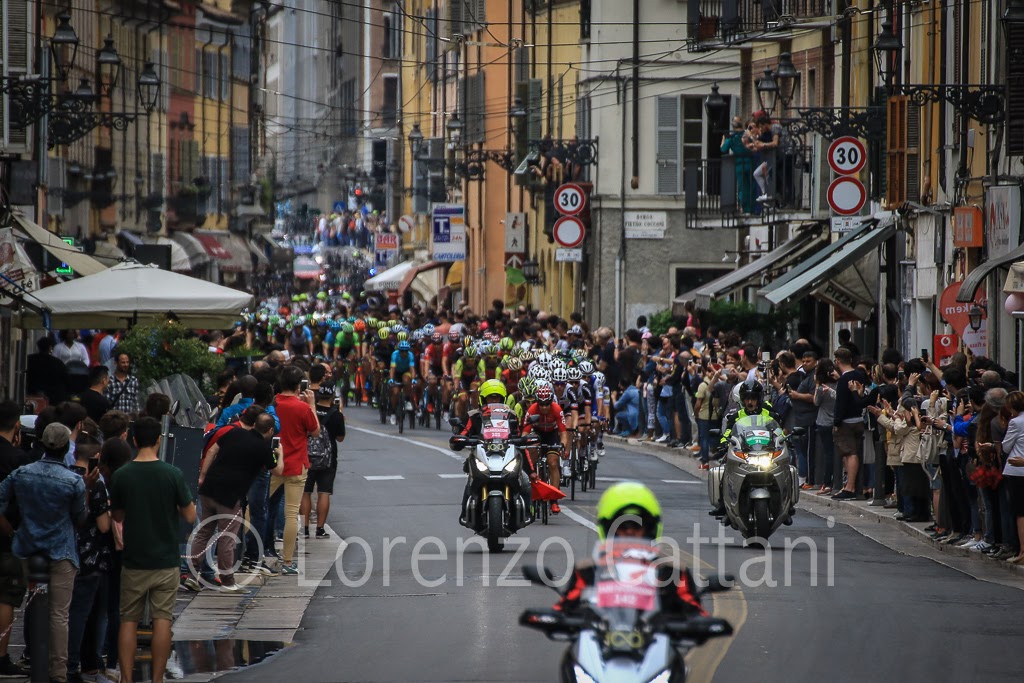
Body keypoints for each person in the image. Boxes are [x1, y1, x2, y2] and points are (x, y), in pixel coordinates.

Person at [0, 423, 90, 683]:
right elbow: (80, 517)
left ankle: (33, 659)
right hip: (61, 551)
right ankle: (58, 672)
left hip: (27, 548)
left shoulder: (21, 473)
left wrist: (11, 531)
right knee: (59, 615)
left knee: (33, 605)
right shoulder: (73, 481)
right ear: (65, 447)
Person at [109, 417, 196, 683]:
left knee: (128, 620)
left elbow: (118, 515)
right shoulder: (172, 474)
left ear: (134, 440)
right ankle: (157, 679)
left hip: (134, 558)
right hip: (166, 559)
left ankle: (126, 678)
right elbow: (190, 515)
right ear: (159, 440)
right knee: (162, 620)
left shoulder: (122, 475)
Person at [554, 482, 705, 617]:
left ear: (649, 528)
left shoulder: (672, 572)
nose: (630, 532)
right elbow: (563, 608)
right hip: (601, 636)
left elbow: (695, 611)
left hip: (652, 636)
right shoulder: (587, 571)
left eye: (637, 526)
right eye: (622, 526)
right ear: (609, 528)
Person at [190, 408, 282, 591]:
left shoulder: (234, 432)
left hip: (208, 489)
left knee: (204, 532)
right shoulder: (263, 448)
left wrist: (203, 476)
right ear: (270, 430)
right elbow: (278, 470)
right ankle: (227, 580)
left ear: (254, 425)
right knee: (227, 537)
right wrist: (281, 454)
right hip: (230, 497)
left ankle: (191, 573)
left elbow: (212, 450)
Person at [269, 367, 320, 575]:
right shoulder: (302, 407)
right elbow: (315, 431)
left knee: (253, 506)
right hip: (297, 465)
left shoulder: (272, 404)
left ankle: (245, 551)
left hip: (273, 463)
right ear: (299, 385)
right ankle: (288, 561)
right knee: (291, 513)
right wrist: (312, 405)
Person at [0, 402, 29, 677]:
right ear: (17, 426)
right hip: (6, 537)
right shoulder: (17, 459)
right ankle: (1, 655)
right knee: (5, 597)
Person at [300, 386, 346, 539]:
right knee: (324, 492)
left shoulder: (308, 410)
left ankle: (305, 529)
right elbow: (340, 438)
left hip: (307, 456)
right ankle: (320, 529)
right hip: (327, 458)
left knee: (305, 492)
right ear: (332, 396)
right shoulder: (336, 414)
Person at [522, 382, 569, 514]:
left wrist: (563, 445)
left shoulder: (557, 409)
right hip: (537, 433)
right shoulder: (532, 410)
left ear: (551, 402)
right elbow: (525, 433)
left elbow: (563, 433)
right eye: (541, 404)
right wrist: (524, 445)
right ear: (537, 403)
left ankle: (554, 500)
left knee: (553, 462)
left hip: (552, 434)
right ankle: (530, 486)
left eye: (547, 404)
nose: (544, 407)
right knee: (531, 450)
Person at [26, 336, 69, 405]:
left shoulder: (29, 359)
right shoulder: (57, 363)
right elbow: (65, 378)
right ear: (50, 348)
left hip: (32, 396)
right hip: (54, 398)